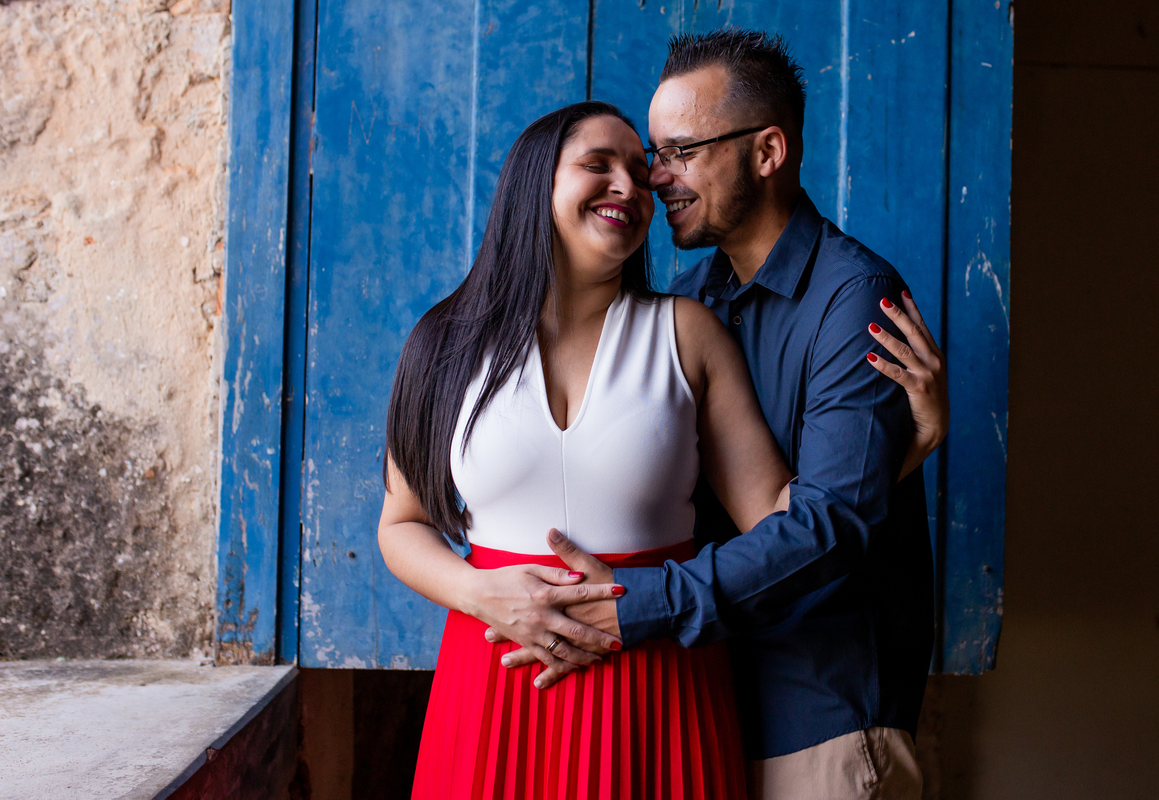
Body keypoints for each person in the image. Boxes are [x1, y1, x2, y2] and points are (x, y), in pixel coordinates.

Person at [378, 100, 944, 798]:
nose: (630, 185)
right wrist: (474, 591)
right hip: (493, 682)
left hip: (658, 687)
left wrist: (905, 448)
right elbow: (400, 524)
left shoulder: (689, 331)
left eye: (640, 173)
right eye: (598, 165)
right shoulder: (443, 343)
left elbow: (777, 518)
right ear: (534, 184)